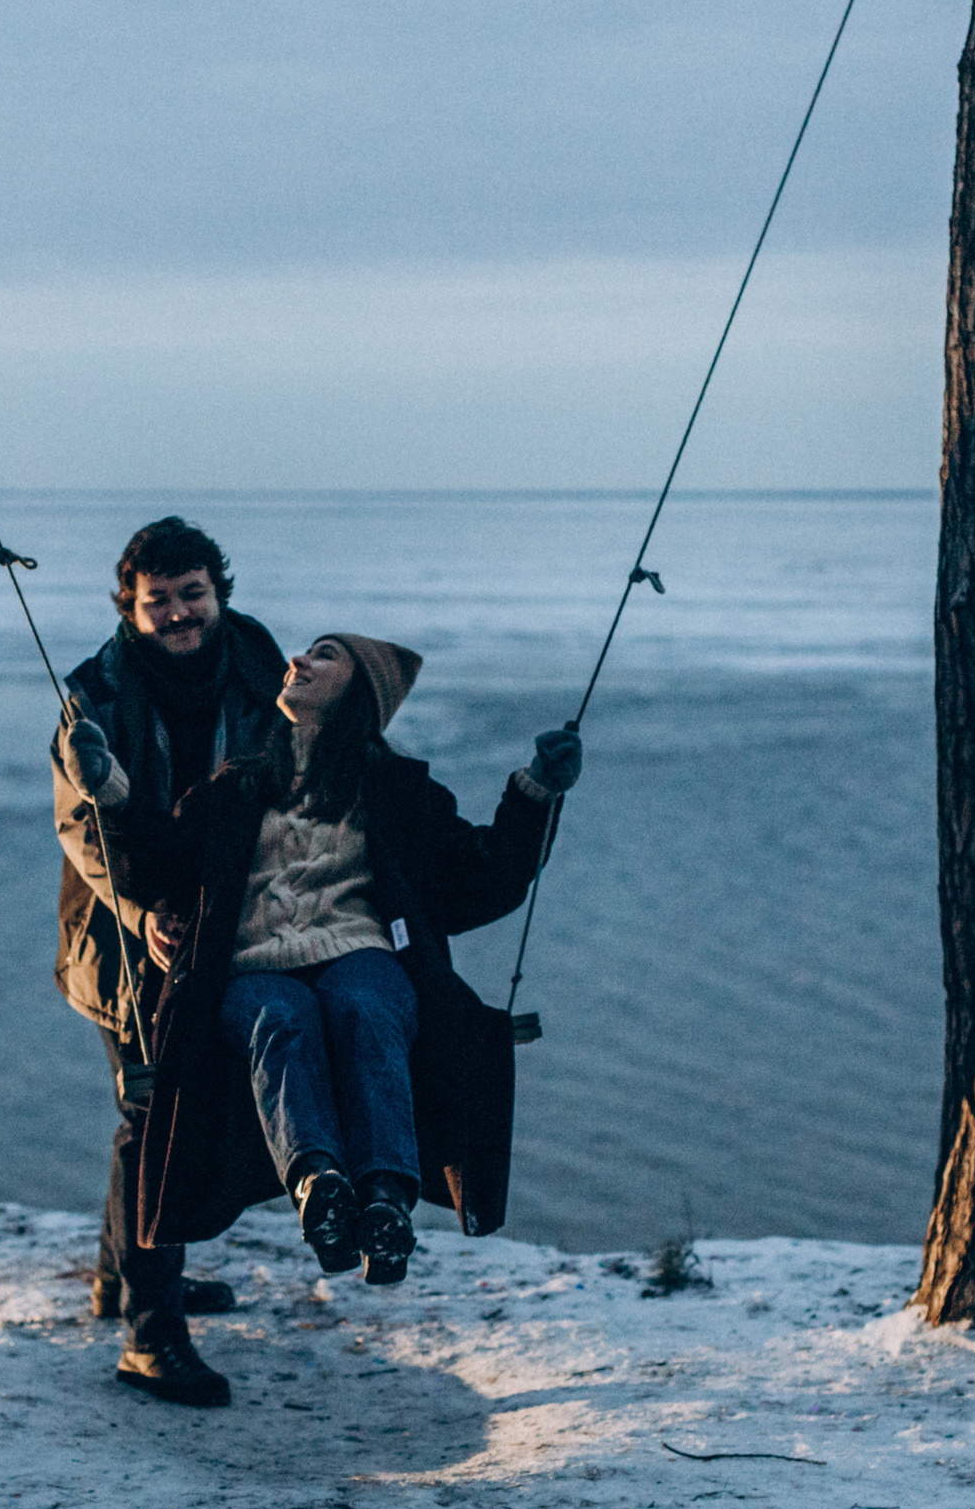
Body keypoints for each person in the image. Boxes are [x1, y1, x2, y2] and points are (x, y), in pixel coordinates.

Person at [68, 633, 581, 1334]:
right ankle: (321, 1190)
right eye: (306, 651)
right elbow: (157, 865)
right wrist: (111, 791)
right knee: (280, 1014)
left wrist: (535, 793)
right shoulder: (236, 785)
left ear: (360, 692)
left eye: (325, 656)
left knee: (363, 1003)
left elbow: (482, 877)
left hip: (362, 952)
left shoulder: (399, 792)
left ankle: (383, 1201)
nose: (298, 662)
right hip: (252, 965)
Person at [51, 516, 286, 1408]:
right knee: (150, 1108)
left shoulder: (264, 669)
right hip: (120, 933)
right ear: (131, 608)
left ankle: (125, 1277)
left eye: (193, 594)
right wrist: (142, 909)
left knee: (161, 1103)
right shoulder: (94, 695)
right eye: (159, 602)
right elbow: (82, 826)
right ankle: (151, 1337)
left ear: (218, 592)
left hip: (219, 925)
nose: (180, 614)